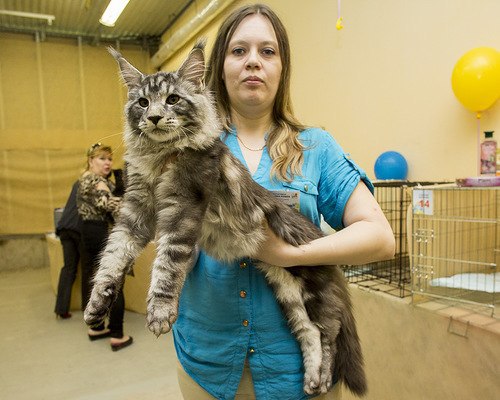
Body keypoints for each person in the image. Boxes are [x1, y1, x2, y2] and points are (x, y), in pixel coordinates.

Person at [172, 4, 395, 400]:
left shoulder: (315, 147)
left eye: (267, 51)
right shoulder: (187, 146)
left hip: (299, 370)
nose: (253, 61)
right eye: (239, 51)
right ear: (219, 67)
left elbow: (380, 237)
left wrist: (287, 254)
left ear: (282, 68)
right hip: (209, 364)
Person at [76, 142, 133, 351]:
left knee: (96, 281)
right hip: (101, 233)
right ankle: (117, 334)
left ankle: (96, 327)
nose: (107, 163)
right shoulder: (97, 181)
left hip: (89, 233)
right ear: (91, 161)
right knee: (113, 283)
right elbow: (110, 206)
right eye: (102, 158)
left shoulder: (85, 179)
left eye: (109, 159)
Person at [54, 181, 82, 319]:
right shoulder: (96, 182)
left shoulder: (78, 182)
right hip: (78, 229)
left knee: (68, 269)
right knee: (88, 269)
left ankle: (61, 309)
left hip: (64, 228)